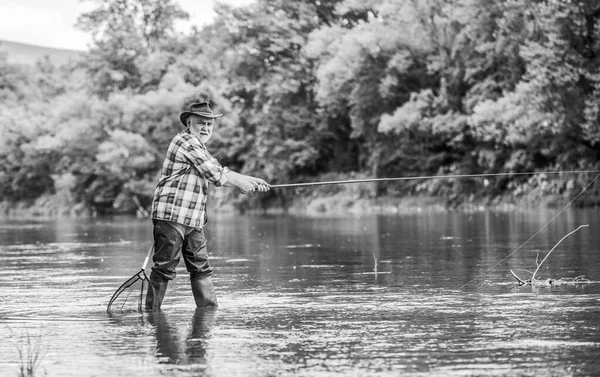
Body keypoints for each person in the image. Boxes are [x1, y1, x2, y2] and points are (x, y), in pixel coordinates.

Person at [146, 101, 270, 310]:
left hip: (192, 219)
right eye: (200, 123)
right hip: (172, 216)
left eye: (209, 124)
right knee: (164, 267)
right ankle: (150, 313)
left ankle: (207, 313)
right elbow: (214, 175)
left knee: (201, 267)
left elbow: (219, 169)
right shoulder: (186, 141)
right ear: (189, 123)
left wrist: (252, 179)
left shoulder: (199, 147)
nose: (205, 128)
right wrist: (240, 184)